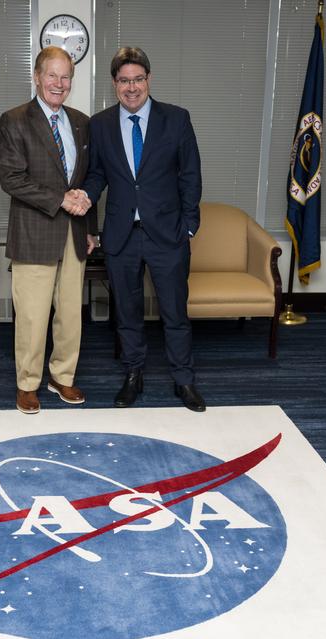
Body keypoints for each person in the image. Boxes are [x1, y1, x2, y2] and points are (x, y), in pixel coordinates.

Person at [82, 47, 206, 412]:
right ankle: (133, 375)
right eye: (124, 81)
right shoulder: (100, 124)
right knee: (127, 312)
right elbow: (97, 175)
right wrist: (84, 198)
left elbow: (190, 174)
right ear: (114, 84)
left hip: (168, 234)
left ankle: (184, 379)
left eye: (138, 79)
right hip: (121, 236)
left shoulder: (177, 119)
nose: (131, 87)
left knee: (174, 312)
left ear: (149, 79)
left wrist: (189, 226)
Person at [0, 46, 97, 415]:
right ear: (37, 77)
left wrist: (91, 228)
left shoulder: (82, 122)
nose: (59, 82)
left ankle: (62, 376)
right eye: (51, 75)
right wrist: (61, 200)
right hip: (34, 232)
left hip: (75, 234)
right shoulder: (14, 120)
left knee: (70, 314)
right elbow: (11, 179)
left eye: (65, 76)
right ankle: (27, 383)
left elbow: (87, 180)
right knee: (33, 316)